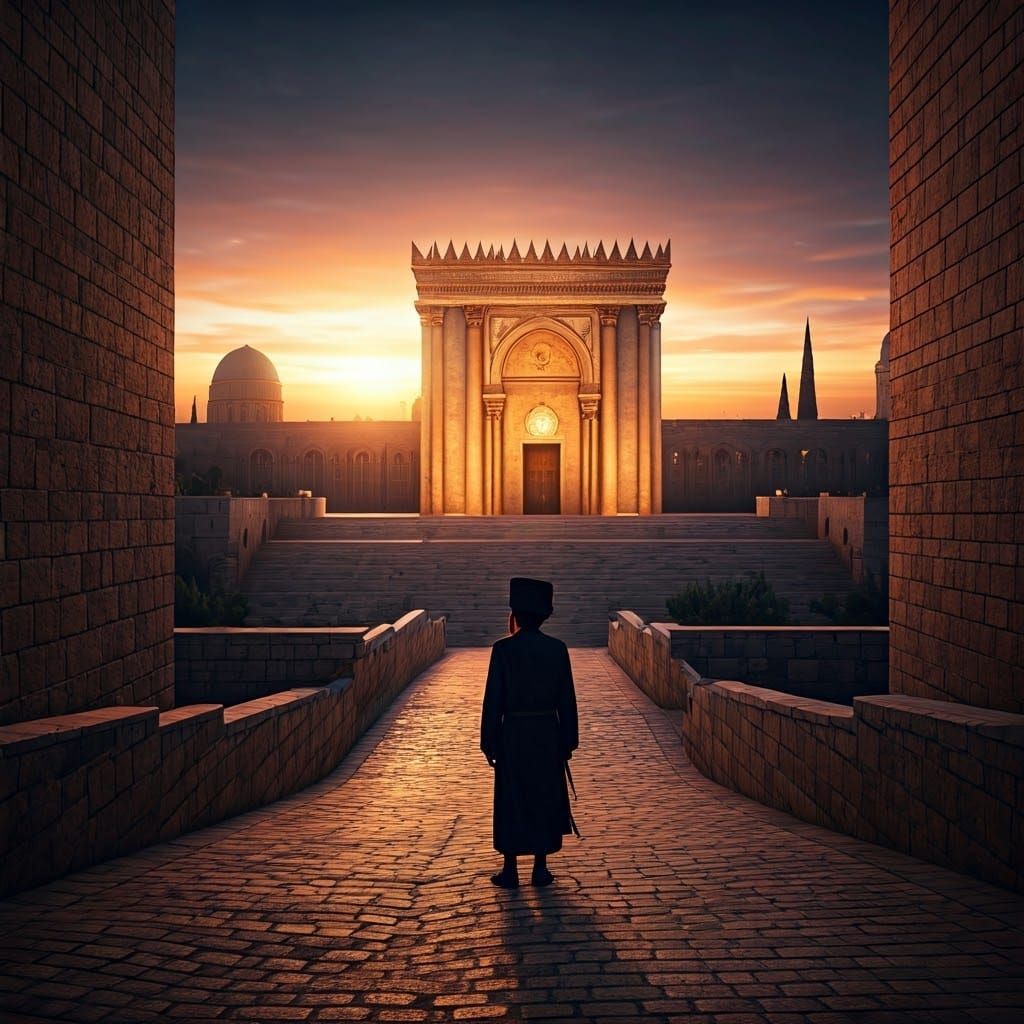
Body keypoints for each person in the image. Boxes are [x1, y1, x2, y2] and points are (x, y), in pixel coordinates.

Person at [480, 577, 579, 888]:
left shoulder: (503, 650)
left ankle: (510, 868)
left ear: (515, 615)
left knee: (512, 797)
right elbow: (567, 699)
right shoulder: (557, 649)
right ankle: (540, 868)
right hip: (547, 733)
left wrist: (489, 740)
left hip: (514, 735)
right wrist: (568, 740)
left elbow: (493, 699)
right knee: (543, 798)